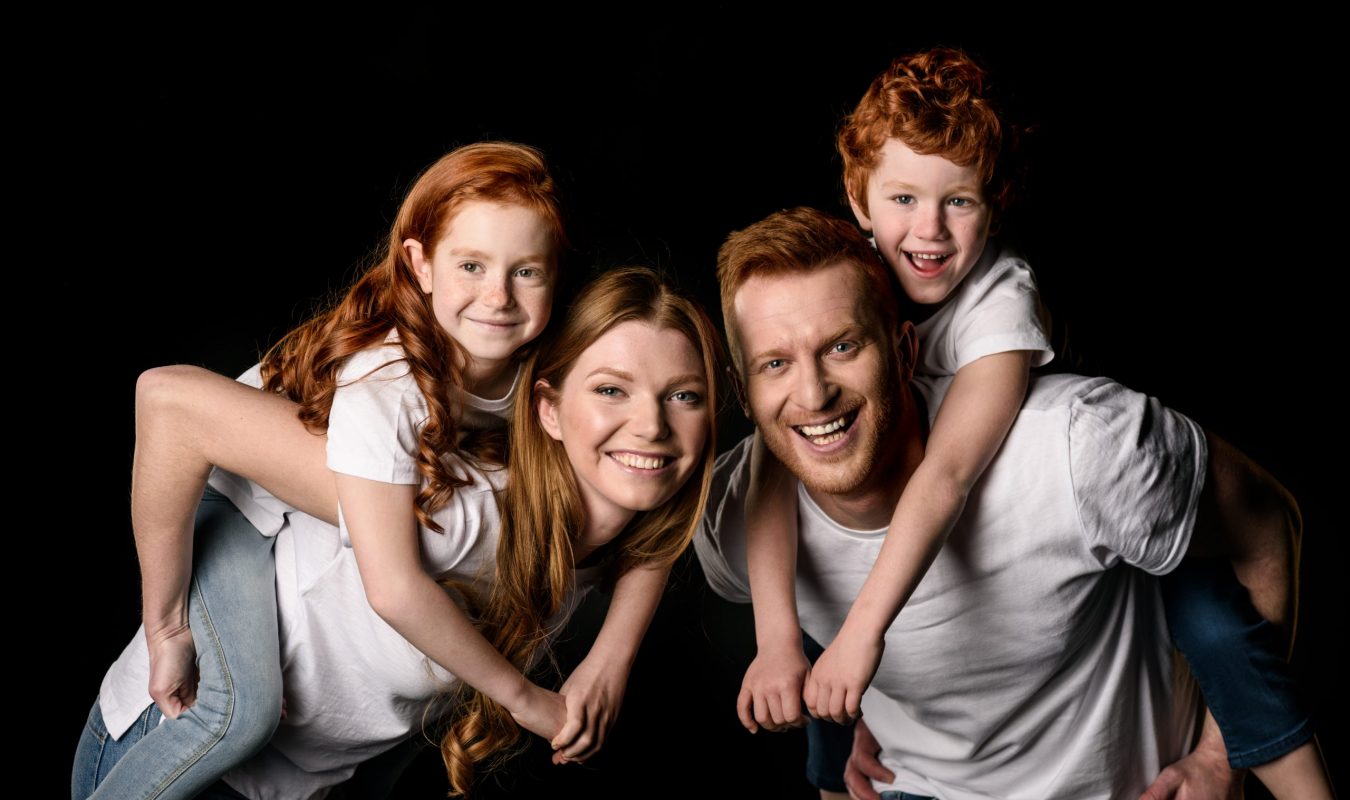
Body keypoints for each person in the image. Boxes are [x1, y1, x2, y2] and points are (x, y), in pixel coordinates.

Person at [735, 49, 1322, 798]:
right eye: (904, 199)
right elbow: (772, 455)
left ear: (995, 202)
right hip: (931, 587)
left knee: (1215, 624)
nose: (930, 231)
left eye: (960, 202)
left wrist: (861, 642)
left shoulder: (999, 306)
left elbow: (946, 475)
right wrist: (785, 643)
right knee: (830, 562)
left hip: (1120, 515)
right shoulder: (844, 281)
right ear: (858, 197)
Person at [72, 146, 716, 798]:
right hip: (238, 494)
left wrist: (611, 658)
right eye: (470, 265)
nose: (497, 295)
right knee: (240, 709)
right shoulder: (389, 385)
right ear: (421, 265)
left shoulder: (536, 370)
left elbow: (651, 497)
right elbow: (393, 586)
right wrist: (168, 626)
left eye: (526, 271)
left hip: (310, 725)